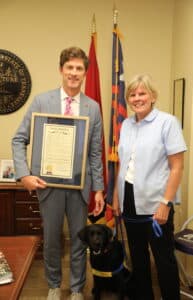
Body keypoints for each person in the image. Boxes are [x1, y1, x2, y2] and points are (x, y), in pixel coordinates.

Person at [12, 47, 105, 300]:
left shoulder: (93, 107)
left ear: (85, 73)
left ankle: (76, 288)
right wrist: (24, 175)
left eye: (79, 69)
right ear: (61, 70)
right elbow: (19, 139)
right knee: (52, 240)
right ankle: (54, 284)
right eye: (69, 68)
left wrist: (99, 189)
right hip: (48, 185)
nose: (74, 73)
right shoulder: (43, 101)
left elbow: (96, 152)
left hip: (80, 186)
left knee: (78, 241)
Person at [112, 74, 187, 300]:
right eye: (132, 94)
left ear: (153, 96)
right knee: (138, 258)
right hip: (129, 201)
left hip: (157, 203)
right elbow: (122, 164)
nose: (137, 98)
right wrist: (116, 196)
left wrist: (165, 203)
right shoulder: (125, 124)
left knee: (163, 260)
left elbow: (177, 167)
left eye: (142, 93)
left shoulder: (167, 122)